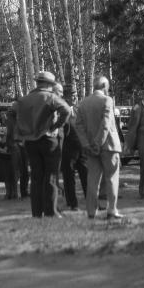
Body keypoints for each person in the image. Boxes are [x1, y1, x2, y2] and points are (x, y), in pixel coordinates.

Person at [15, 71, 71, 218]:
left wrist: (21, 131)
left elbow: (11, 113)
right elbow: (66, 110)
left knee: (36, 177)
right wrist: (56, 126)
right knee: (51, 177)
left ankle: (36, 213)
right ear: (48, 85)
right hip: (48, 140)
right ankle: (51, 212)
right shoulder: (50, 97)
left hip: (30, 142)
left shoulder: (24, 99)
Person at [75, 75, 124, 220]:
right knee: (111, 179)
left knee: (92, 180)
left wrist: (87, 144)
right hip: (108, 146)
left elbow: (78, 126)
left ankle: (91, 211)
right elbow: (106, 124)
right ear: (104, 87)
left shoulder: (83, 103)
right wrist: (98, 143)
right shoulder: (107, 100)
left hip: (90, 148)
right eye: (107, 87)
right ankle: (112, 210)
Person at [56, 83, 88, 211]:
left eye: (75, 95)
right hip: (67, 150)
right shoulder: (61, 112)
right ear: (66, 97)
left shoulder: (79, 110)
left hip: (82, 150)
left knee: (86, 176)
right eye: (72, 96)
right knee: (69, 178)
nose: (74, 98)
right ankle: (72, 203)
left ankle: (91, 201)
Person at [0, 109, 17, 200]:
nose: (3, 115)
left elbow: (13, 136)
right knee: (5, 174)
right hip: (1, 151)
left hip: (11, 150)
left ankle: (15, 193)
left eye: (4, 113)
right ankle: (8, 193)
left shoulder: (11, 124)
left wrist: (7, 146)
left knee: (13, 173)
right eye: (1, 114)